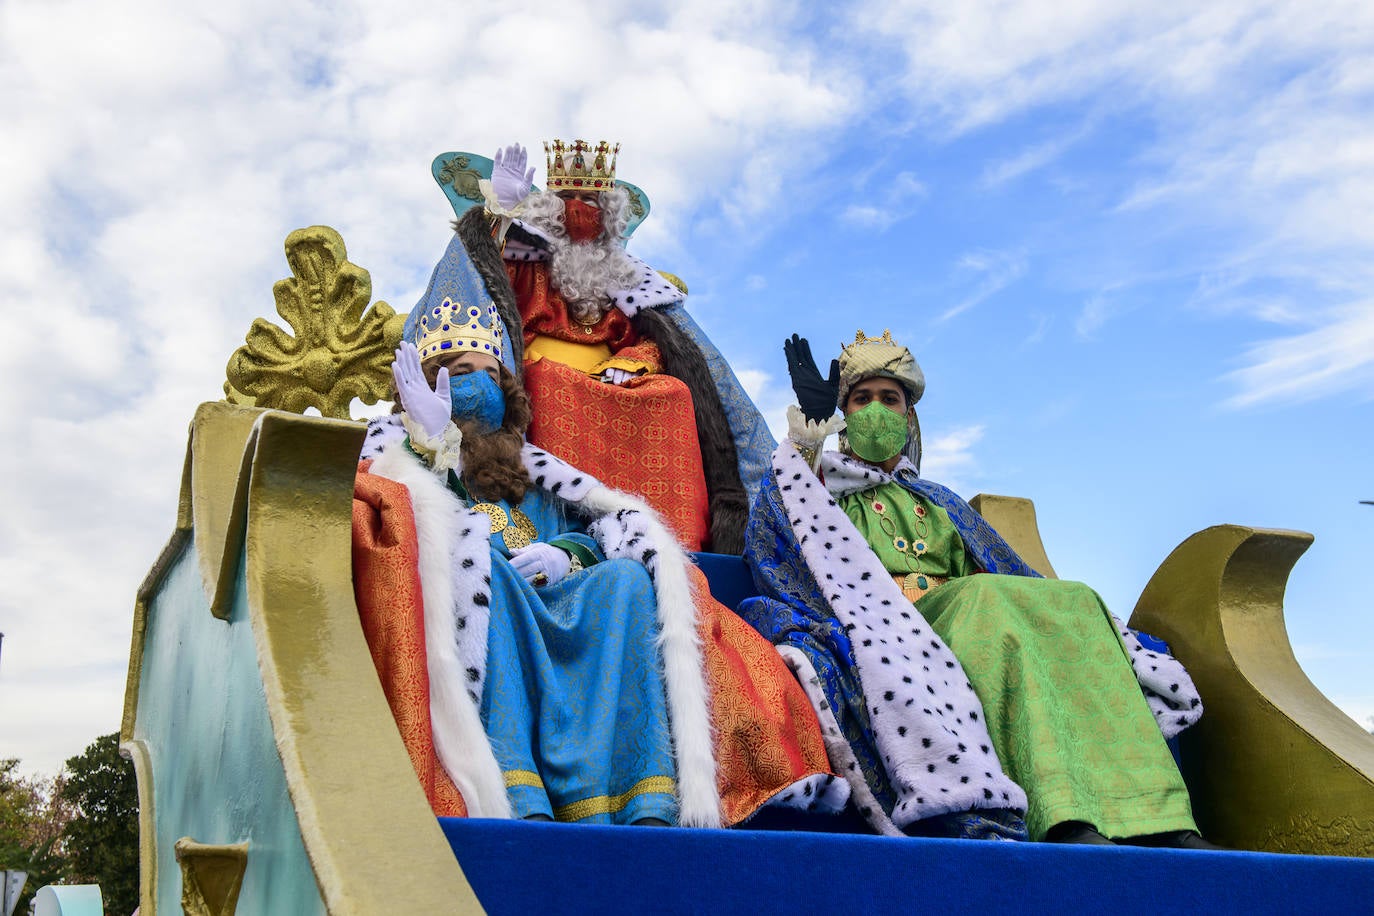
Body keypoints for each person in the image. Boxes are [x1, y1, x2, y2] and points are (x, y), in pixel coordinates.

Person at [351, 232, 843, 827]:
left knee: (626, 585)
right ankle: (520, 794)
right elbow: (415, 523)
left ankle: (642, 798)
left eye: (485, 370)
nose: (472, 383)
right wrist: (432, 443)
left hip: (552, 591)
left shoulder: (530, 472)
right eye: (456, 371)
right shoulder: (405, 459)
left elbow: (583, 528)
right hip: (487, 594)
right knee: (486, 570)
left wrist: (563, 555)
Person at [737, 328, 1217, 847]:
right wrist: (805, 440)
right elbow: (772, 540)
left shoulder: (938, 498)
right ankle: (1063, 817)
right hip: (886, 623)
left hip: (975, 616)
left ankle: (1159, 816)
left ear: (909, 416)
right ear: (845, 414)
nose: (876, 408)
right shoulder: (813, 488)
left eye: (889, 399)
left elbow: (1005, 571)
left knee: (1075, 599)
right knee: (985, 598)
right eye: (862, 398)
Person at [448, 139, 773, 553]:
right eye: (569, 198)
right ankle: (565, 529)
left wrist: (635, 362)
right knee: (549, 381)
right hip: (542, 377)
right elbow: (479, 284)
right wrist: (499, 217)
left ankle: (677, 540)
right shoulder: (524, 261)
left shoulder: (628, 280)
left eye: (591, 199)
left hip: (614, 382)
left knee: (672, 394)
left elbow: (660, 344)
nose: (581, 209)